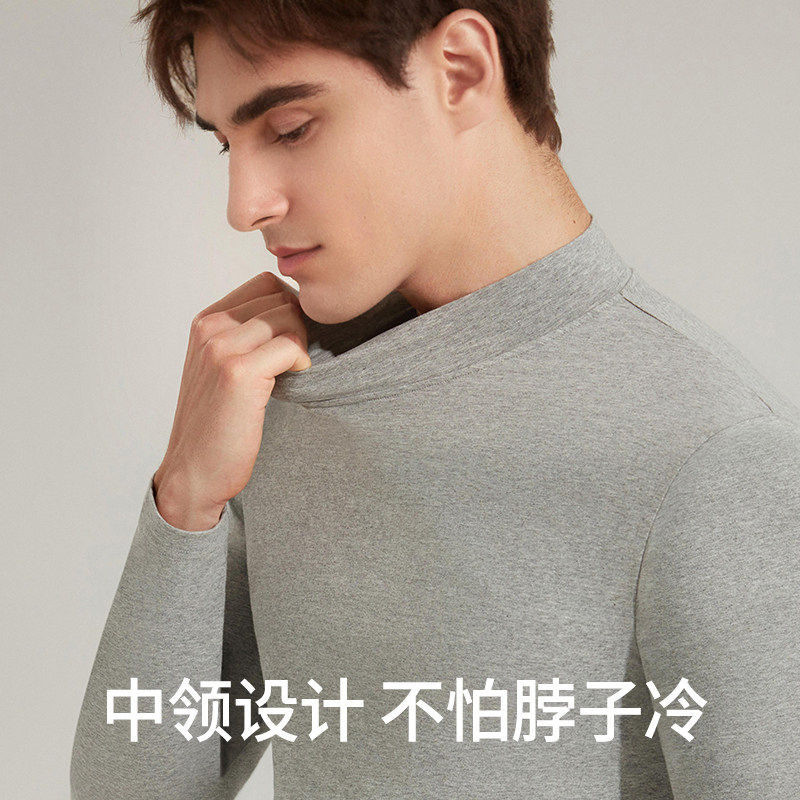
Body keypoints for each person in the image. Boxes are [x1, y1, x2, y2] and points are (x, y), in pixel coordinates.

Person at [71, 1, 800, 798]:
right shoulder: (284, 389)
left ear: (460, 70)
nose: (243, 205)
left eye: (289, 129)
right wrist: (185, 499)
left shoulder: (711, 450)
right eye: (226, 144)